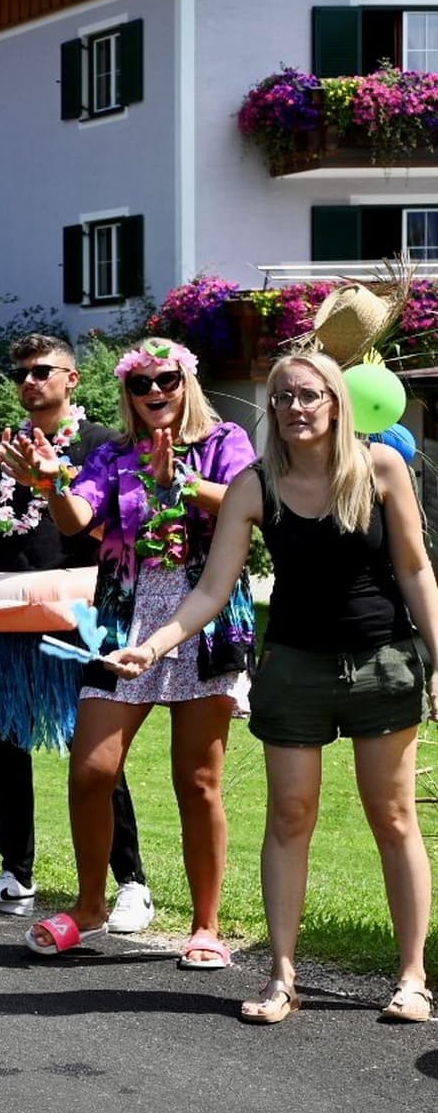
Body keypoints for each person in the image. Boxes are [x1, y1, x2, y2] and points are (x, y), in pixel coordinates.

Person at [105, 351, 435, 1022]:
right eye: (281, 398)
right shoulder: (257, 486)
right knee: (290, 816)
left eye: (308, 395)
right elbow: (210, 589)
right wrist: (154, 645)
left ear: (337, 402)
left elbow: (415, 570)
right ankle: (283, 977)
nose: (293, 408)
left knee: (394, 816)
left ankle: (411, 977)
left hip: (381, 662)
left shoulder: (381, 468)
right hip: (294, 666)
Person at [9, 337, 255, 964]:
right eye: (140, 385)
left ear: (185, 381)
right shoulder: (114, 454)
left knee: (197, 780)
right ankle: (91, 906)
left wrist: (184, 483)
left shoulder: (225, 440)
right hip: (123, 617)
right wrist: (47, 483)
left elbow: (250, 507)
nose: (154, 394)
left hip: (204, 616)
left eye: (165, 381)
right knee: (91, 769)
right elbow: (75, 519)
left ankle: (206, 926)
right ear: (127, 393)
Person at [0, 335, 152, 929]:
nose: (30, 382)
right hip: (12, 619)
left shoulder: (102, 447)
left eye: (42, 371)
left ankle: (131, 882)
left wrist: (51, 479)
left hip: (77, 618)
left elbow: (105, 533)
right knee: (6, 749)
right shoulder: (7, 449)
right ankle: (16, 876)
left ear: (72, 379)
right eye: (21, 374)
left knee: (96, 756)